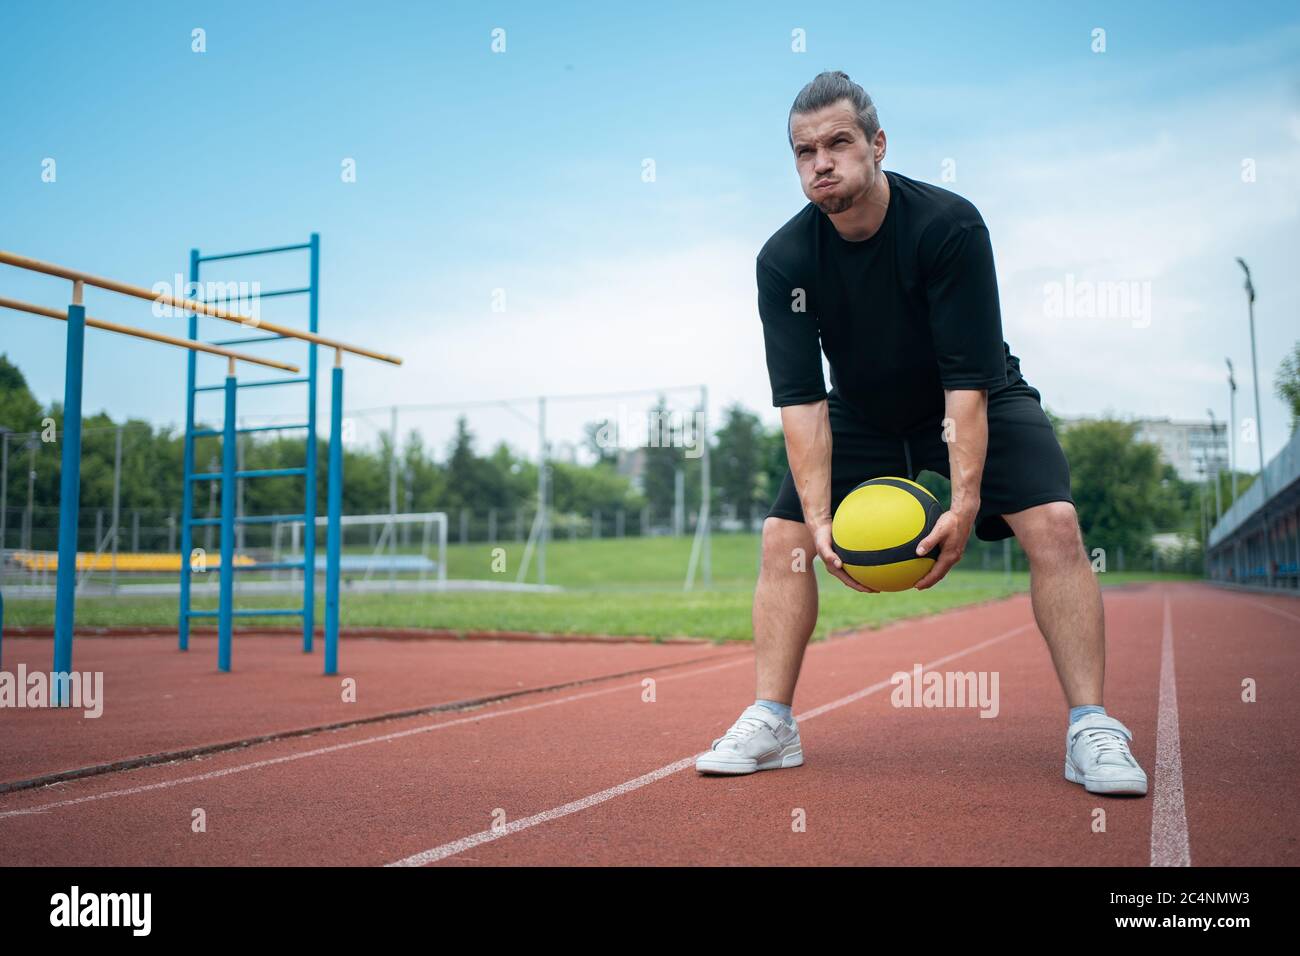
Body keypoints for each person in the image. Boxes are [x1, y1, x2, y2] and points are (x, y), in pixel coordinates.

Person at [695, 71, 1148, 796]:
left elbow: (964, 384)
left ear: (877, 145)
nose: (821, 162)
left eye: (839, 142)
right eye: (804, 151)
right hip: (862, 411)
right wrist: (815, 519)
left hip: (975, 394)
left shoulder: (948, 227)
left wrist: (964, 504)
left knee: (1057, 524)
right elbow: (802, 404)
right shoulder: (784, 261)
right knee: (781, 541)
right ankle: (772, 721)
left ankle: (1091, 726)